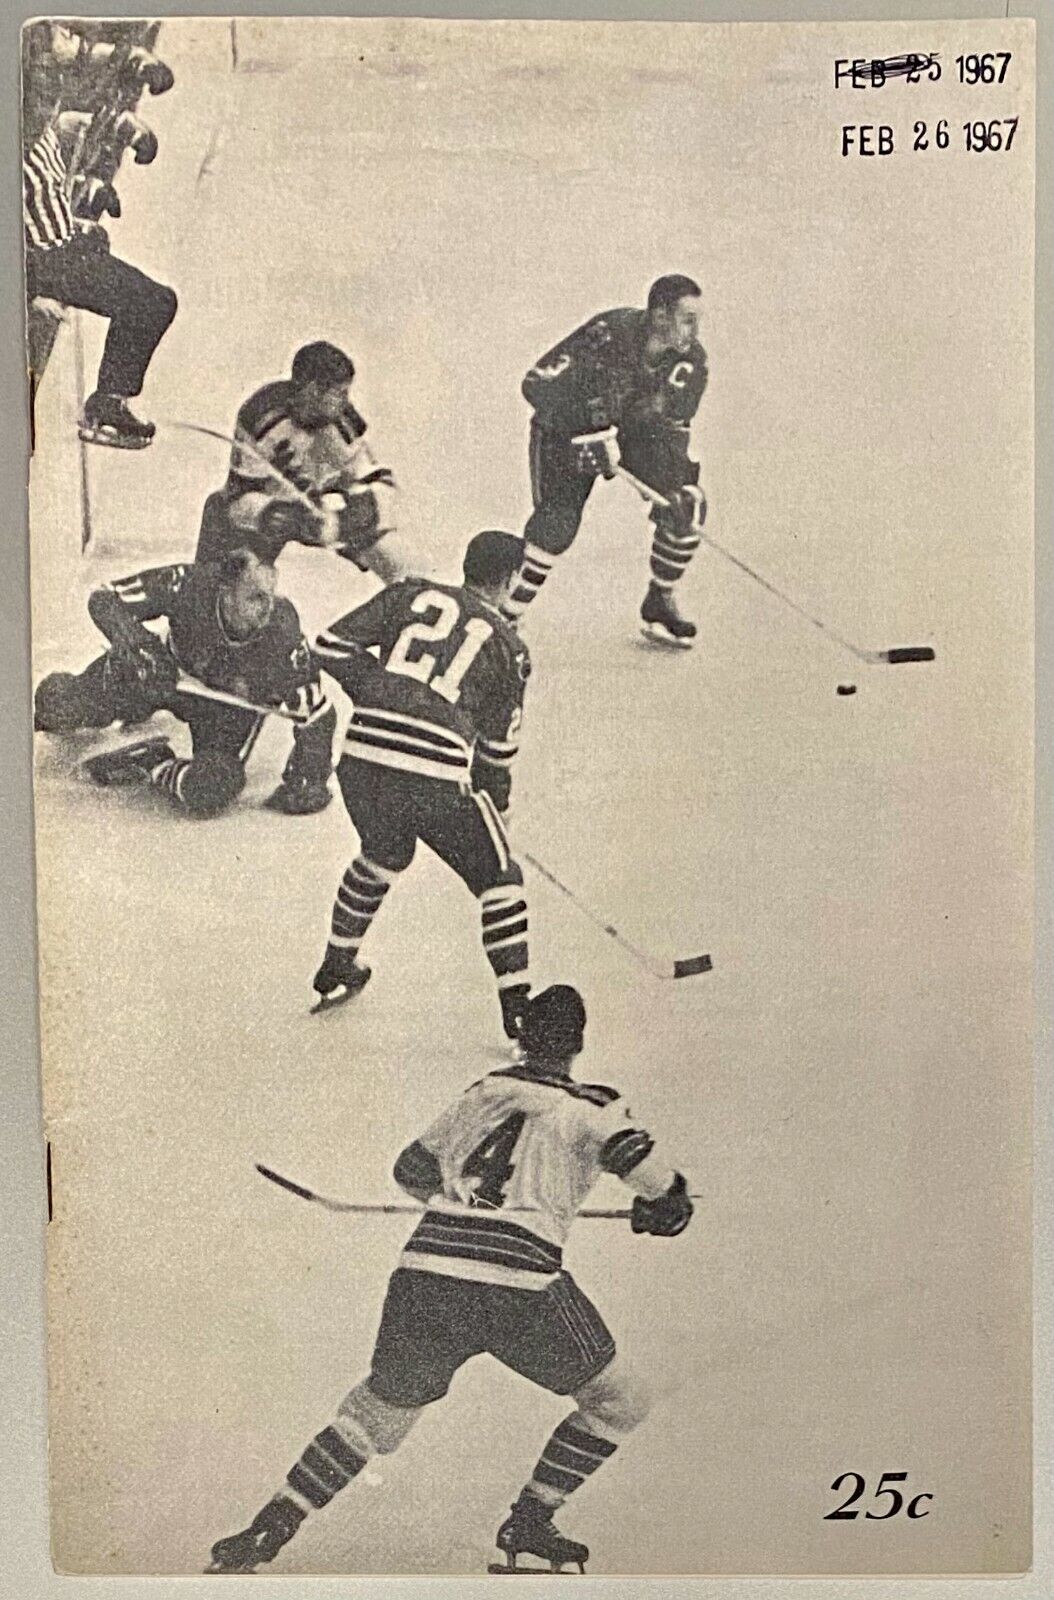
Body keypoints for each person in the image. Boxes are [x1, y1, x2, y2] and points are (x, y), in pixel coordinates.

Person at [207, 983, 694, 1576]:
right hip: (520, 1285)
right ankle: (531, 1521)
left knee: (375, 1414)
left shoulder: (485, 1090)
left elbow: (411, 1171)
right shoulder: (594, 1104)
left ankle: (270, 1527)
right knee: (619, 1401)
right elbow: (642, 1167)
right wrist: (667, 1204)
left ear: (520, 1039)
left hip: (426, 1273)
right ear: (578, 1045)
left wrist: (461, 1201)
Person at [310, 529, 531, 1039]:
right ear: (512, 579)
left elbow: (330, 644)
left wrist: (381, 690)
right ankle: (518, 1008)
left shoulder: (412, 592)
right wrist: (496, 811)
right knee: (500, 879)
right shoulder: (511, 649)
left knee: (383, 853)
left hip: (362, 758)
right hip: (432, 775)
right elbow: (496, 757)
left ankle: (336, 963)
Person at [33, 549, 335, 818]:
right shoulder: (189, 583)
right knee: (56, 705)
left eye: (272, 595)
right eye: (256, 597)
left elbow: (316, 708)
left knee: (210, 788)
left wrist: (308, 780)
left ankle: (154, 762)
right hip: (161, 673)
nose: (268, 608)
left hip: (223, 713)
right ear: (225, 592)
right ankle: (106, 705)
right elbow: (105, 597)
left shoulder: (282, 627)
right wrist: (139, 648)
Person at [505, 273, 709, 646]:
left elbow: (675, 429)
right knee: (557, 523)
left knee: (687, 504)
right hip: (566, 434)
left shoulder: (691, 363)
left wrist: (674, 485)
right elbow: (536, 383)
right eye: (687, 319)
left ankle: (659, 600)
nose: (695, 330)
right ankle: (505, 617)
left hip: (632, 435)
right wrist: (588, 433)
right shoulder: (607, 333)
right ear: (660, 316)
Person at [22, 21, 177, 449]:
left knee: (144, 293)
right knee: (153, 301)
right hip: (49, 258)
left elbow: (56, 127)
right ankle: (107, 404)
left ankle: (110, 399)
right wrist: (31, 290)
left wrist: (74, 131)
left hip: (65, 242)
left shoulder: (39, 116)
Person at [195, 341, 406, 580]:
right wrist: (273, 514)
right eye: (340, 393)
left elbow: (380, 483)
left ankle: (410, 599)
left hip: (329, 512)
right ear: (313, 390)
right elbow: (237, 499)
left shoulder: (345, 425)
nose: (347, 402)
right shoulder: (260, 416)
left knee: (395, 556)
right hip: (277, 511)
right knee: (224, 532)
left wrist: (349, 518)